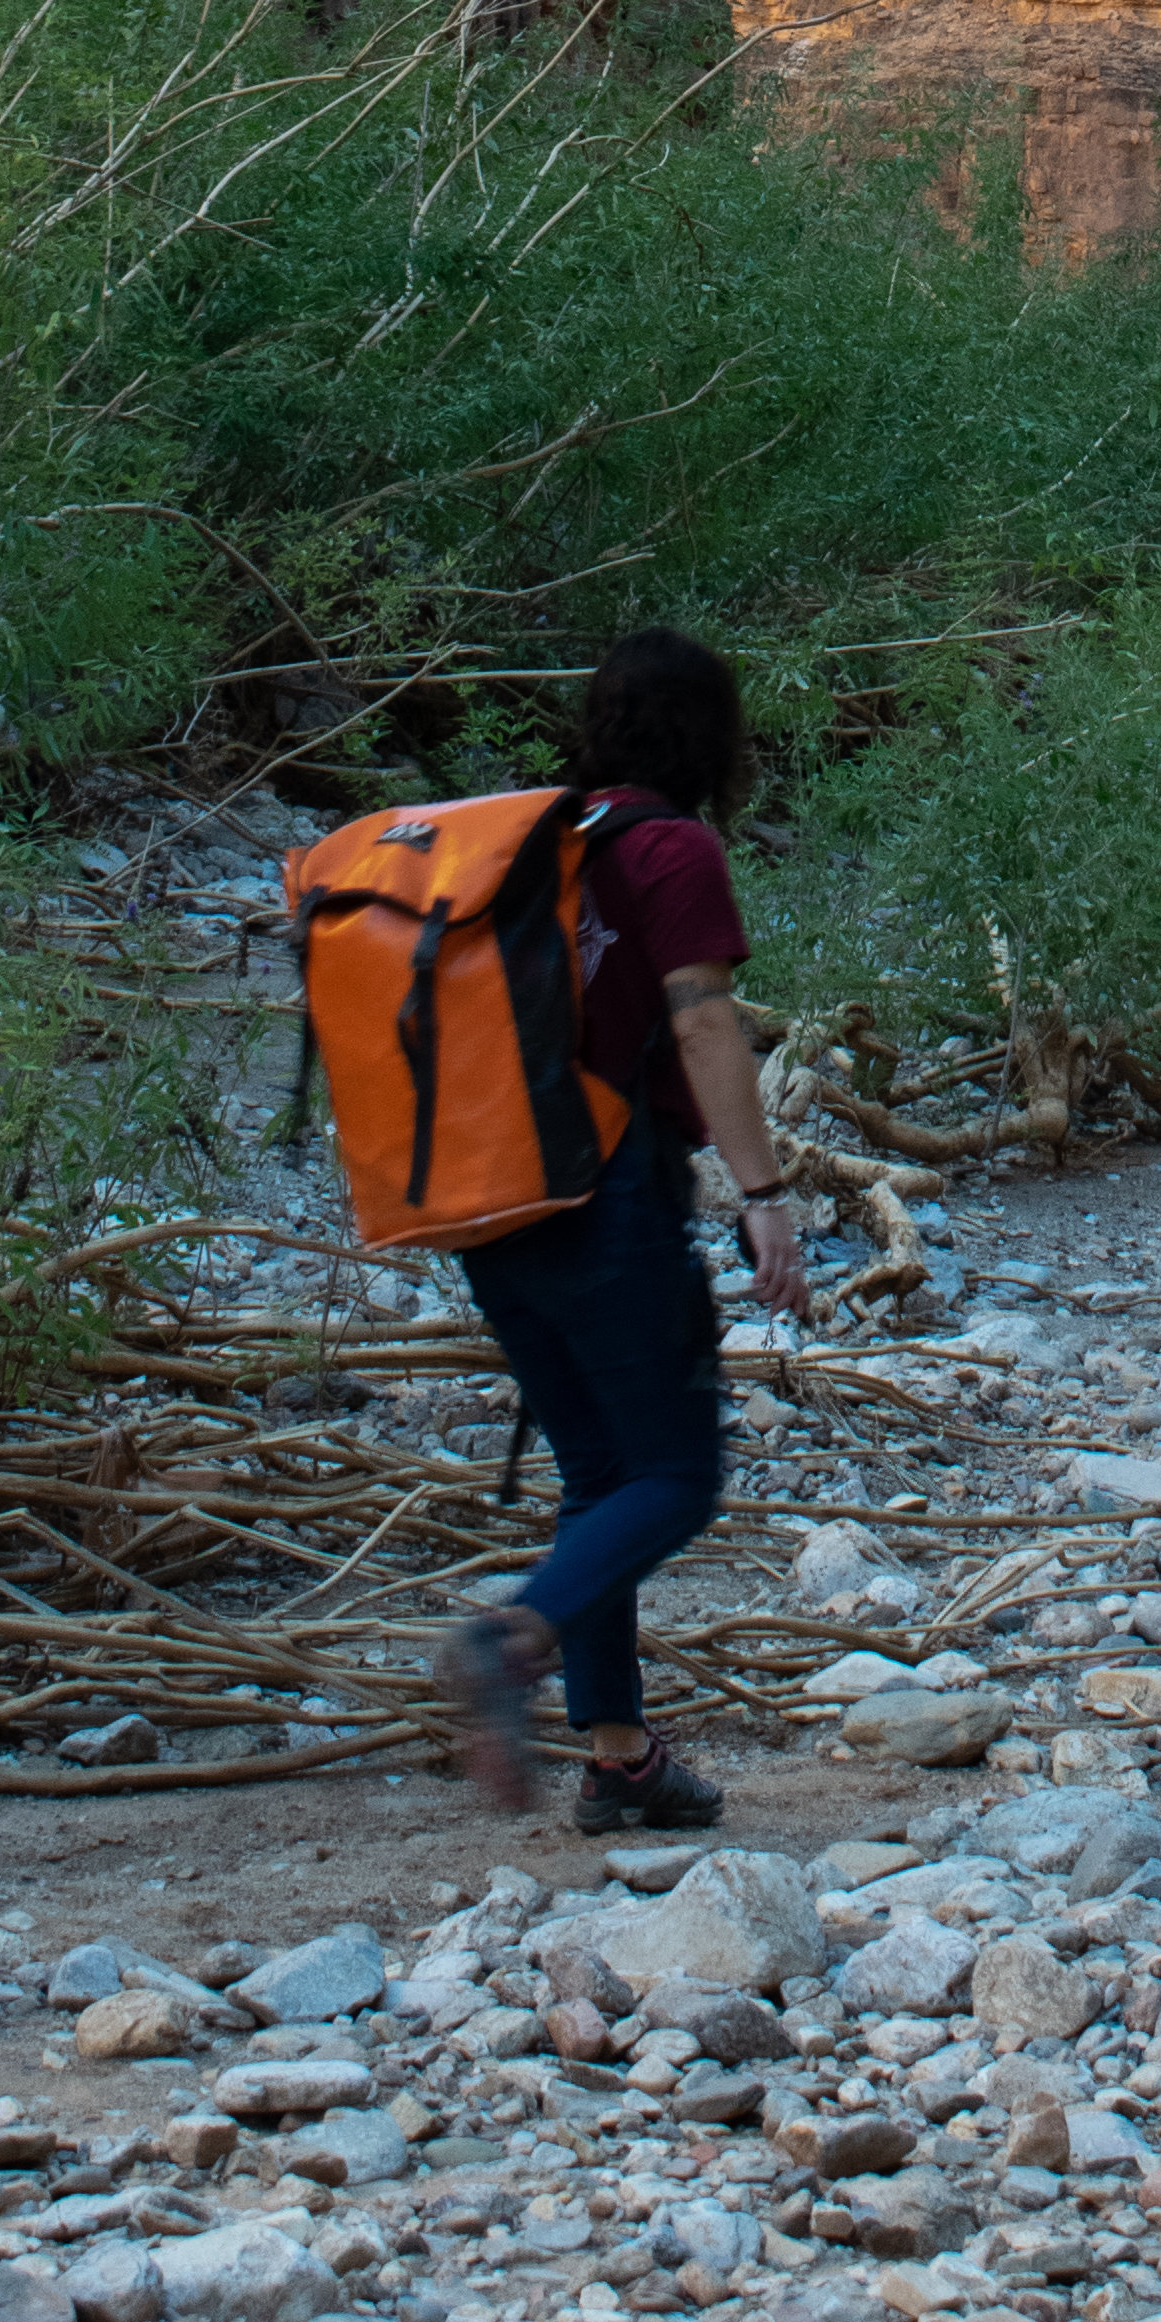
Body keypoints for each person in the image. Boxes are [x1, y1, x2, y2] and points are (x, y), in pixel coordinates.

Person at [437, 628, 810, 1823]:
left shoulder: (537, 842)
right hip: (608, 1196)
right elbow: (704, 1030)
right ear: (712, 737)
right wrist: (766, 1200)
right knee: (675, 1476)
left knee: (599, 1478)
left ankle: (617, 1757)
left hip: (494, 1204)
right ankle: (511, 1640)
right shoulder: (670, 850)